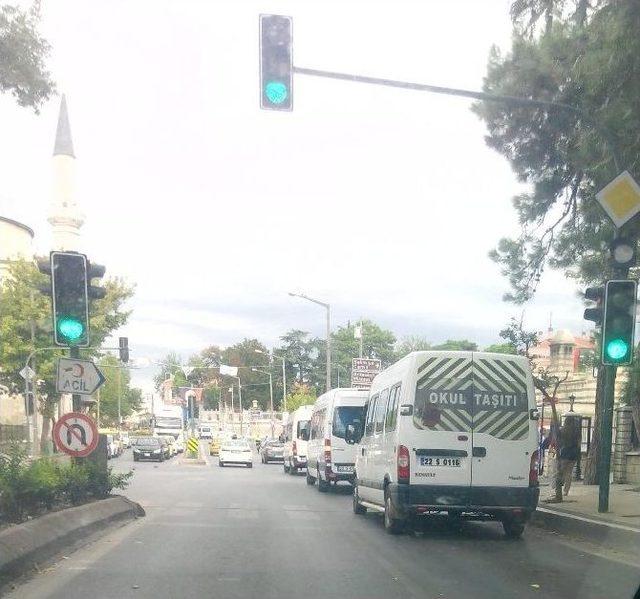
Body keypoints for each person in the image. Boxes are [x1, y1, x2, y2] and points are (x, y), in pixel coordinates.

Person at [555, 417, 581, 498]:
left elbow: (558, 440)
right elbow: (579, 443)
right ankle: (566, 491)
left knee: (561, 470)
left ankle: (557, 486)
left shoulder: (563, 430)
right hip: (574, 453)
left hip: (565, 451)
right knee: (569, 472)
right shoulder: (577, 431)